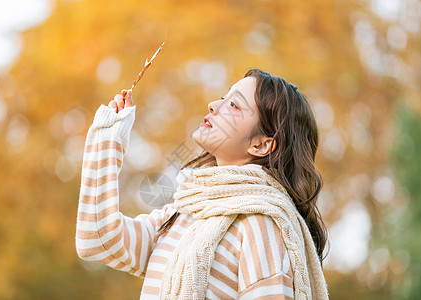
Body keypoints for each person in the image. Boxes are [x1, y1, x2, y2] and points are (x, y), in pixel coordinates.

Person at [75, 68, 329, 299]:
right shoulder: (185, 213)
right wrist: (108, 137)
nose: (213, 105)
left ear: (261, 144)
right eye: (223, 97)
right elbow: (98, 239)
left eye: (234, 105)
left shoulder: (261, 226)